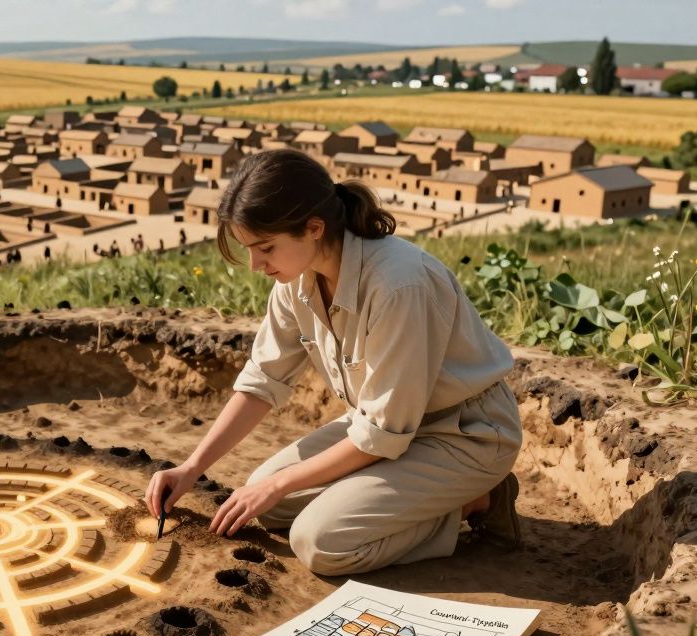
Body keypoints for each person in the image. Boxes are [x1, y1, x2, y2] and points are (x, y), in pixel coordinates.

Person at [144, 148, 523, 577]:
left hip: (462, 434)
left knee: (319, 541)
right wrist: (191, 468)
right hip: (384, 428)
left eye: (265, 247)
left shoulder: (398, 285)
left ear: (314, 228)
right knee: (265, 503)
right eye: (248, 249)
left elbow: (383, 433)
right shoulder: (294, 283)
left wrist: (280, 483)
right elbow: (263, 380)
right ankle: (389, 498)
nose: (255, 265)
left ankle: (479, 502)